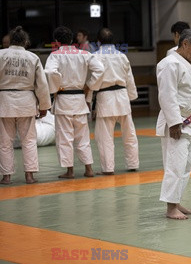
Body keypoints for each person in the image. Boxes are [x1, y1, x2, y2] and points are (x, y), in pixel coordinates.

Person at [156, 29, 191, 220]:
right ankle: (170, 208)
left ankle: (176, 202)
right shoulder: (169, 64)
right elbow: (167, 95)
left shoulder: (189, 63)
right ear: (185, 43)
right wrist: (174, 123)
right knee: (175, 166)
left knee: (185, 167)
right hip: (177, 122)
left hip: (190, 121)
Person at [45, 26, 104, 179]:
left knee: (65, 137)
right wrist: (89, 85)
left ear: (56, 42)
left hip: (64, 100)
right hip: (79, 100)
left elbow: (50, 72)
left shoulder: (55, 55)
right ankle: (89, 169)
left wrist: (55, 88)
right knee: (83, 137)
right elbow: (100, 69)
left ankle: (70, 171)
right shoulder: (84, 54)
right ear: (71, 39)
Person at [0, 26, 51, 184]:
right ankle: (29, 175)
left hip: (5, 101)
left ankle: (6, 176)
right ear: (26, 42)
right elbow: (41, 85)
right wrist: (44, 106)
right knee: (29, 140)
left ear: (10, 41)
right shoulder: (32, 57)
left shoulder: (0, 55)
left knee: (4, 141)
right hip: (26, 101)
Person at [92, 28, 139, 175]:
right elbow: (129, 78)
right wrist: (132, 96)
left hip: (105, 98)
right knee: (129, 134)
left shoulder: (95, 56)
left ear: (98, 41)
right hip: (122, 97)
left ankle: (108, 168)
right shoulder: (121, 56)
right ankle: (133, 164)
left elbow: (93, 81)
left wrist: (88, 99)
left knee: (104, 137)